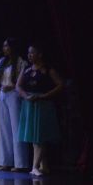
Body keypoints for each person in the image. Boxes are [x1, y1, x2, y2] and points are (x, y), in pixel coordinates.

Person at [17, 44, 64, 176]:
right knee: (34, 137)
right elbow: (18, 86)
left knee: (40, 136)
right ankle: (44, 166)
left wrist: (45, 95)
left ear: (40, 54)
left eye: (32, 53)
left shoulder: (47, 69)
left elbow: (61, 84)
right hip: (29, 104)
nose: (29, 55)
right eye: (28, 53)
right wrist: (26, 96)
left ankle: (35, 166)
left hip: (43, 105)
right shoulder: (26, 69)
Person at [0, 38, 30, 172]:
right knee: (4, 128)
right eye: (4, 46)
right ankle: (5, 161)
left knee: (16, 127)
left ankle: (20, 163)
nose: (4, 48)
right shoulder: (2, 61)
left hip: (14, 94)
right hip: (2, 94)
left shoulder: (20, 62)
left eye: (7, 46)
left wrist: (12, 86)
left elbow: (23, 81)